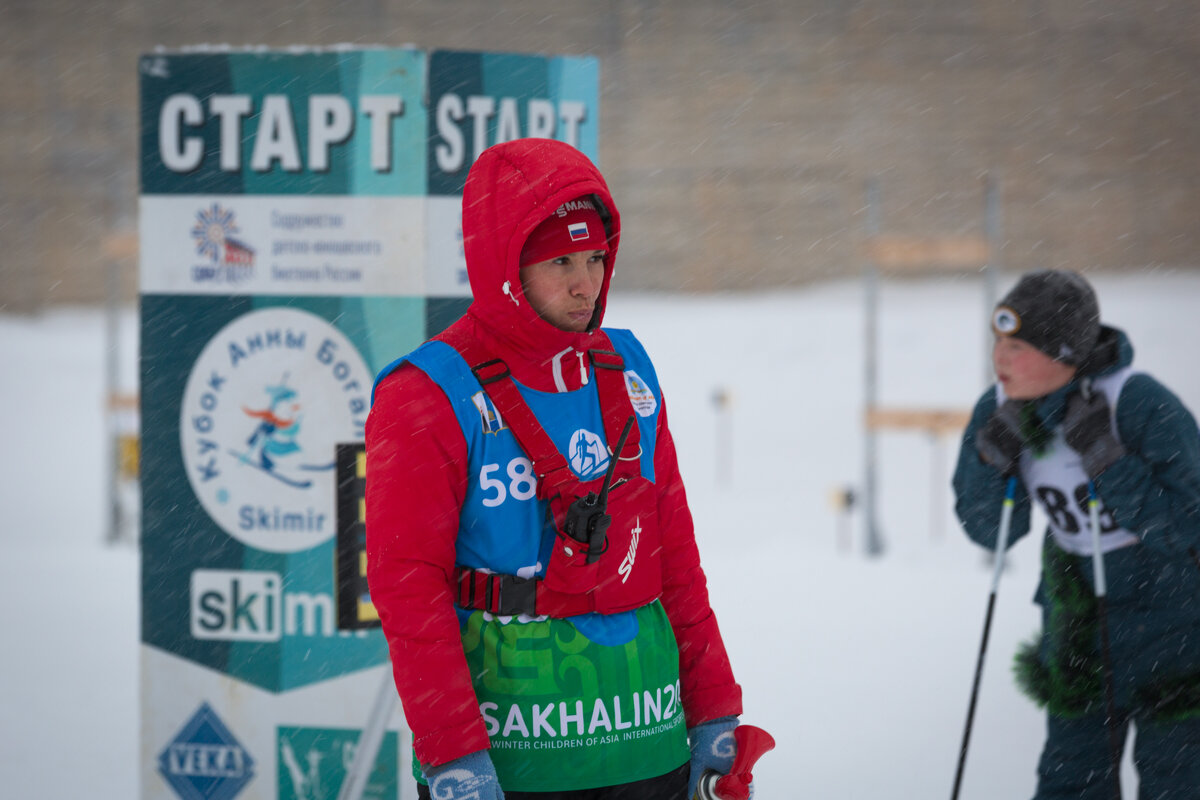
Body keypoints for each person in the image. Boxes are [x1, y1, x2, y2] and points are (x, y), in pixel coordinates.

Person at [365, 138, 744, 800]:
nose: (584, 283)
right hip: (519, 758)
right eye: (559, 261)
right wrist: (454, 755)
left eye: (595, 257)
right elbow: (407, 589)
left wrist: (715, 702)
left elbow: (674, 555)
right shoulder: (423, 393)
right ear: (504, 266)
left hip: (649, 745)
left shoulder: (627, 368)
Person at [952, 269, 1200, 798]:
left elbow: (1188, 522)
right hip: (1077, 623)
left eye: (1016, 345)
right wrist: (988, 461)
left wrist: (1108, 463)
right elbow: (990, 530)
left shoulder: (1137, 402)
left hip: (1174, 625)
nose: (999, 358)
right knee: (1072, 779)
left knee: (1178, 778)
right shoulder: (999, 409)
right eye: (998, 342)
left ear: (1064, 352)